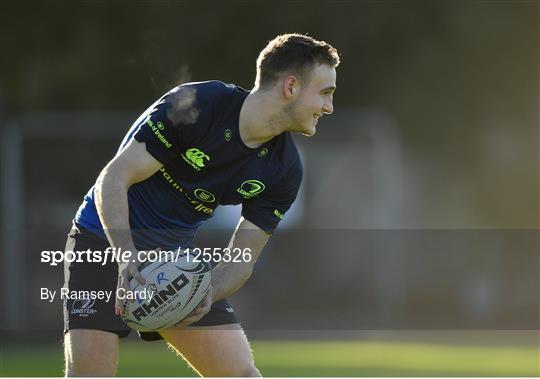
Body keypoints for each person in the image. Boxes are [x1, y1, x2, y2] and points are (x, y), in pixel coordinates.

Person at [63, 33, 339, 377]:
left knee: (242, 375)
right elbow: (114, 178)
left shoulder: (284, 170)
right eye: (325, 93)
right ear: (291, 86)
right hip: (103, 242)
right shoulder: (200, 106)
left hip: (171, 265)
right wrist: (127, 257)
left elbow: (242, 261)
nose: (329, 107)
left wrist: (204, 291)